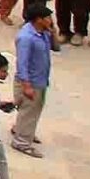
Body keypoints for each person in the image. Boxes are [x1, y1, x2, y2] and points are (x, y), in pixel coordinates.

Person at [10, 12, 55, 157]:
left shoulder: (44, 33)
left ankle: (22, 129)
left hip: (41, 79)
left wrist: (54, 32)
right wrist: (26, 85)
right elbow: (22, 63)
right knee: (29, 110)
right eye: (47, 18)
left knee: (33, 110)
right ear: (38, 19)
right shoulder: (26, 38)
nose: (50, 20)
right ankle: (22, 142)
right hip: (31, 81)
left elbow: (56, 48)